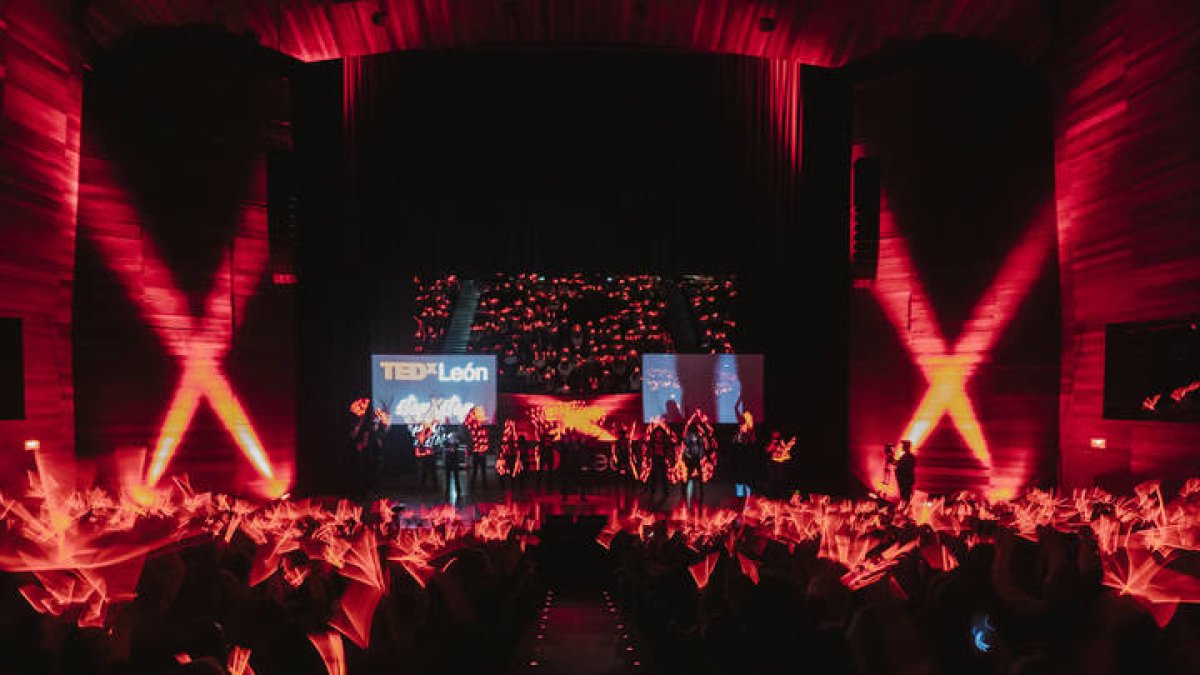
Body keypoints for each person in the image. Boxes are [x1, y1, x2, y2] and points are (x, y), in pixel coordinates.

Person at [732, 412, 757, 498]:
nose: (742, 425)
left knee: (747, 478)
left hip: (747, 458)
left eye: (744, 422)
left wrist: (746, 435)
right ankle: (739, 497)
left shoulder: (751, 433)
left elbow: (752, 442)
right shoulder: (739, 433)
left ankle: (748, 497)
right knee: (739, 477)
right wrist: (739, 434)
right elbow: (734, 442)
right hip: (739, 458)